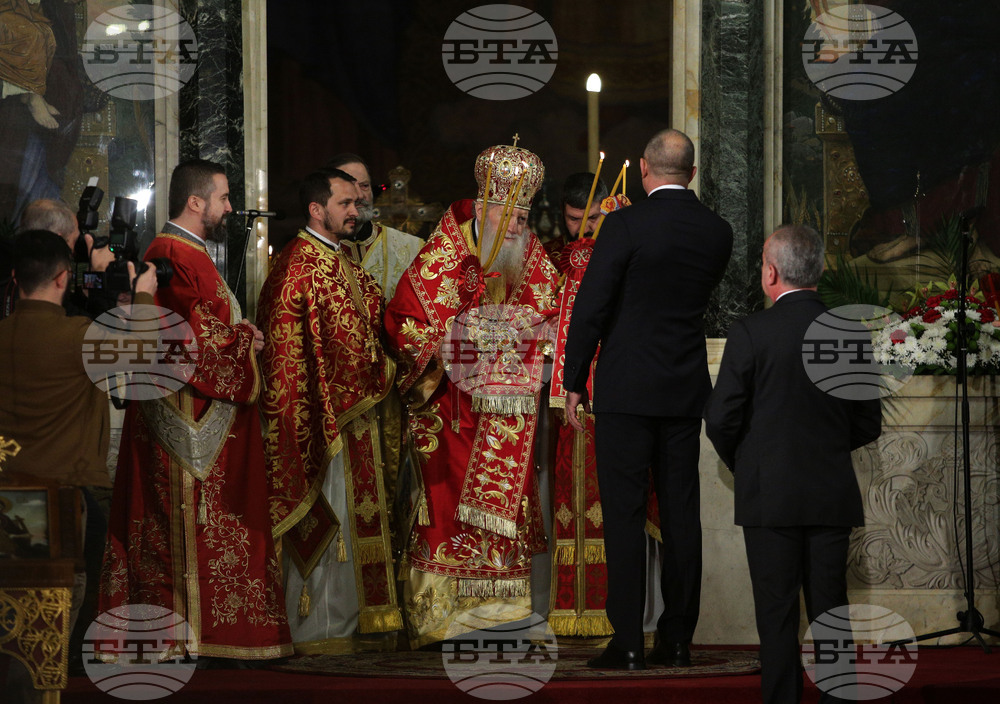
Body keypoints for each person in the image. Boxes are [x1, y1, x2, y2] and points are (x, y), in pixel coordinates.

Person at [99, 159, 293, 662]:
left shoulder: (189, 252)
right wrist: (240, 344)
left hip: (204, 412)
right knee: (186, 527)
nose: (231, 207)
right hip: (188, 418)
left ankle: (200, 634)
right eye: (225, 197)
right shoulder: (171, 253)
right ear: (196, 202)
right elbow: (185, 339)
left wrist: (240, 334)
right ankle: (182, 636)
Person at [563, 128, 733, 670]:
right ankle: (678, 640)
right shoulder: (717, 230)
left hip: (625, 388)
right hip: (683, 388)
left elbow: (592, 304)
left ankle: (628, 641)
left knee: (624, 514)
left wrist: (572, 379)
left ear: (643, 169)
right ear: (694, 173)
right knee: (682, 514)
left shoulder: (626, 223)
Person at [384, 141, 558, 647]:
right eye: (513, 214)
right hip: (451, 415)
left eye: (527, 214)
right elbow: (405, 322)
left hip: (508, 420)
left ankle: (500, 617)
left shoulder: (529, 254)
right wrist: (452, 343)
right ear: (484, 208)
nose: (523, 225)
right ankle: (440, 618)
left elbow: (550, 312)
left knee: (504, 524)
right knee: (444, 511)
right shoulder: (445, 252)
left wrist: (523, 340)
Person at [704, 224, 882, 704]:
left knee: (776, 614)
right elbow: (868, 422)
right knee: (831, 610)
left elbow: (720, 418)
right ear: (820, 270)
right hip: (829, 492)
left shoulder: (750, 332)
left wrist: (749, 462)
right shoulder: (848, 333)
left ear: (771, 272)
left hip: (769, 495)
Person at [0, 228, 156, 694]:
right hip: (66, 502)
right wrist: (143, 299)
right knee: (57, 627)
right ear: (65, 279)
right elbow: (149, 357)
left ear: (14, 278)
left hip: (8, 497)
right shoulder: (78, 338)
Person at [259, 168, 402, 652]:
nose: (355, 211)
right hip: (321, 422)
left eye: (355, 204)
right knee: (331, 514)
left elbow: (370, 324)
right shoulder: (296, 267)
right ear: (317, 209)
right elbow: (286, 357)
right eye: (345, 204)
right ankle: (320, 628)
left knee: (358, 513)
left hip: (354, 415)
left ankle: (359, 620)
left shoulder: (342, 262)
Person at [327, 153, 424, 301]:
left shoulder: (413, 249)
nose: (360, 195)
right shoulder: (310, 254)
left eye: (365, 186)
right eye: (349, 186)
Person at [2, 198, 114, 319]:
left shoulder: (8, 258)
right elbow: (97, 329)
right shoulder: (45, 290)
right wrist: (98, 272)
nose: (74, 252)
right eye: (74, 241)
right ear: (58, 241)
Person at [545, 172, 608, 273]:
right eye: (574, 219)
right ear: (563, 213)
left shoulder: (624, 253)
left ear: (607, 211)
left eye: (593, 217)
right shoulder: (546, 259)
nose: (584, 229)